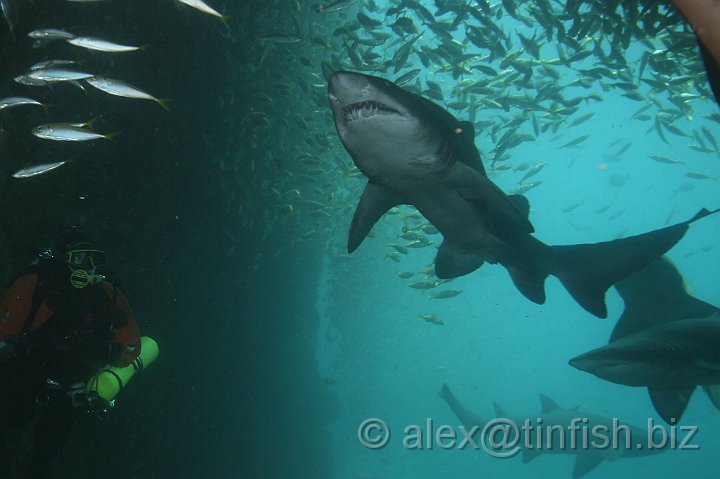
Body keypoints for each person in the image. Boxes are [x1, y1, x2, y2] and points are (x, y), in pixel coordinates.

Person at [0, 227, 141, 478]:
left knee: (47, 451)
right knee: (15, 418)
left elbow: (132, 347)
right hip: (30, 372)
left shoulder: (108, 296)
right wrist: (23, 351)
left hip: (72, 386)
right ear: (62, 259)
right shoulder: (34, 285)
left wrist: (107, 351)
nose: (86, 267)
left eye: (93, 259)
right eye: (79, 258)